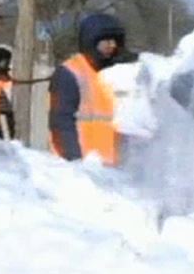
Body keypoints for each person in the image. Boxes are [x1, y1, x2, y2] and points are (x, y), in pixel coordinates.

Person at [48, 14, 136, 166]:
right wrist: (74, 161)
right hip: (81, 168)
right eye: (105, 40)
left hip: (116, 169)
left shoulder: (121, 73)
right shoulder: (70, 72)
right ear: (90, 41)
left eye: (115, 40)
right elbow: (61, 122)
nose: (112, 45)